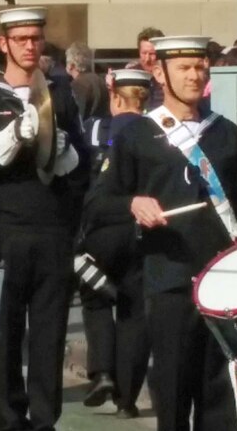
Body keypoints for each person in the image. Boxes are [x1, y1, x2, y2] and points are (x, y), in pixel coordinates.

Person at [84, 35, 237, 431]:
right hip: (168, 279)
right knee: (174, 390)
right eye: (184, 67)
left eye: (200, 67)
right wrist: (133, 204)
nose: (195, 75)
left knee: (221, 395)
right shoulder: (137, 135)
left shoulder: (226, 133)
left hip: (224, 281)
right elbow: (98, 203)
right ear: (160, 73)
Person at [0, 6, 83, 431]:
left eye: (36, 38)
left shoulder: (60, 93)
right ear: (4, 44)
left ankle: (45, 420)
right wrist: (15, 138)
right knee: (5, 335)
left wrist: (69, 156)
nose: (31, 46)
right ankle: (9, 420)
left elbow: (82, 167)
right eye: (21, 39)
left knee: (50, 334)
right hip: (6, 229)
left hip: (52, 228)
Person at [78, 69, 153, 419]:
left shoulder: (94, 129)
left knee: (94, 300)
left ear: (115, 97)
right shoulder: (159, 132)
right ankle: (129, 399)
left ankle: (103, 372)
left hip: (99, 228)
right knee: (133, 311)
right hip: (141, 229)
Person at [65, 41, 109, 120]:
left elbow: (78, 115)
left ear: (71, 65)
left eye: (67, 62)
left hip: (87, 128)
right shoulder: (100, 80)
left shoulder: (77, 85)